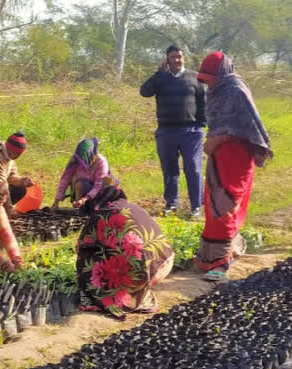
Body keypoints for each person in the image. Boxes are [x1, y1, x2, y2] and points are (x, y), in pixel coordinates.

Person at [194, 51, 272, 282]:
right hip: (219, 157)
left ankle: (221, 262)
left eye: (210, 76)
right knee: (212, 204)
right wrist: (213, 143)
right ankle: (213, 256)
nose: (207, 82)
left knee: (225, 203)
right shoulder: (216, 92)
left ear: (222, 72)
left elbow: (247, 127)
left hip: (236, 158)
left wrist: (220, 140)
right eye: (204, 77)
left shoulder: (236, 91)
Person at [77, 185, 175, 319]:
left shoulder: (101, 214)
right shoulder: (133, 207)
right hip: (163, 263)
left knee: (88, 262)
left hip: (142, 272)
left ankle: (123, 296)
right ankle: (141, 291)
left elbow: (81, 248)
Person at [140, 44, 206, 218]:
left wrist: (201, 126)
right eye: (173, 57)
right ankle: (171, 204)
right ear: (167, 60)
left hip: (191, 131)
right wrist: (158, 74)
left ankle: (196, 207)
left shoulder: (195, 77)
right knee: (170, 169)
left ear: (184, 58)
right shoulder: (161, 78)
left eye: (180, 57)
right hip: (166, 131)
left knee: (193, 167)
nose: (177, 60)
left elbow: (203, 103)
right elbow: (144, 92)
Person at [52, 138, 119, 210]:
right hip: (85, 188)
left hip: (100, 191)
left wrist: (84, 199)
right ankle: (81, 207)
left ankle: (97, 206)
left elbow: (98, 185)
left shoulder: (101, 161)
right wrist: (56, 202)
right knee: (80, 183)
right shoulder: (75, 160)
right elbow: (65, 180)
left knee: (109, 183)